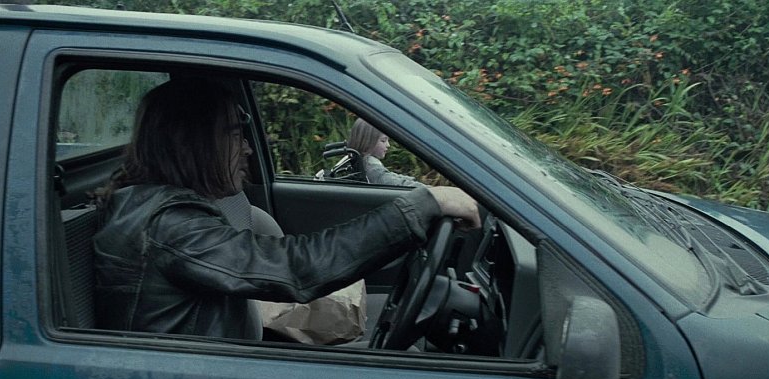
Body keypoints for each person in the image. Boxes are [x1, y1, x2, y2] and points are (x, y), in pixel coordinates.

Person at [92, 78, 479, 340]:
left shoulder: (159, 209)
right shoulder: (167, 227)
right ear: (192, 142)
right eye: (235, 134)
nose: (247, 148)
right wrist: (423, 204)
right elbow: (294, 269)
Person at [347, 118, 427, 187]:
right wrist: (426, 189)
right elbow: (392, 182)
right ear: (368, 142)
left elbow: (390, 176)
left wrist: (409, 179)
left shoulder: (360, 164)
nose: (388, 145)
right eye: (383, 140)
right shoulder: (372, 169)